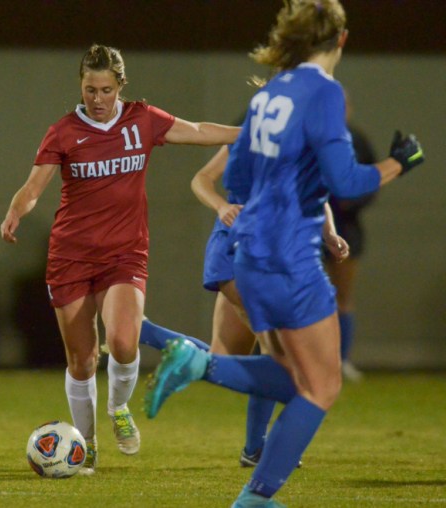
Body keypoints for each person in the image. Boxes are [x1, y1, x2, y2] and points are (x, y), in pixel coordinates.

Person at [142, 1, 424, 506]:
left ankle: (255, 487)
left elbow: (242, 178)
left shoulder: (268, 95)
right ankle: (250, 481)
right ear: (340, 40)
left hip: (249, 250)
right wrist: (399, 163)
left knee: (297, 378)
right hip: (290, 255)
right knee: (322, 386)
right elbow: (347, 181)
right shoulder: (323, 92)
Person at [0, 43, 240, 475]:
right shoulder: (63, 131)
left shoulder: (142, 119)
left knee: (126, 342)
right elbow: (34, 186)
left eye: (105, 89)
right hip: (71, 256)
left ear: (120, 87)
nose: (96, 98)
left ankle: (118, 409)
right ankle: (85, 444)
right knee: (83, 359)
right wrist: (16, 211)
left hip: (124, 253)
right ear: (81, 86)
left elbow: (199, 130)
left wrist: (248, 134)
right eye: (90, 89)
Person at [140, 144, 348, 468]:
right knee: (281, 359)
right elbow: (201, 179)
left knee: (221, 361)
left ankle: (143, 331)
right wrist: (221, 205)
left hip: (271, 258)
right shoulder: (250, 136)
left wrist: (330, 234)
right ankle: (255, 450)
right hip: (239, 253)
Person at [325, 91, 379, 382]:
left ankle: (341, 360)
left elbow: (373, 180)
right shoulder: (311, 135)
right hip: (307, 225)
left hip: (345, 228)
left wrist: (352, 201)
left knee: (342, 295)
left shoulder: (356, 139)